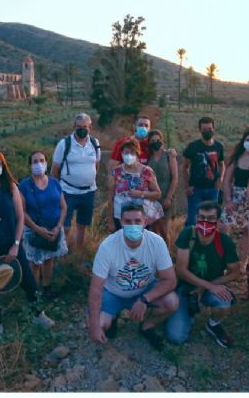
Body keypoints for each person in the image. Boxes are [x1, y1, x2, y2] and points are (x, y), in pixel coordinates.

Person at [0, 150, 55, 341]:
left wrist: (16, 245)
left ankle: (38, 313)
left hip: (11, 245)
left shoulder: (11, 188)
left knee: (28, 280)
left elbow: (20, 217)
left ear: (3, 167)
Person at [88, 203, 178, 351]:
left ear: (145, 222)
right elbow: (96, 289)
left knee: (171, 302)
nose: (133, 225)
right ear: (121, 222)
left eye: (137, 221)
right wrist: (93, 325)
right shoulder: (107, 246)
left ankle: (147, 326)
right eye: (128, 221)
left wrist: (145, 299)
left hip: (144, 290)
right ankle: (114, 314)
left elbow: (170, 280)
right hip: (114, 293)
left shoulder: (156, 242)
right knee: (101, 325)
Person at [165, 201, 240, 348]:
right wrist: (207, 286)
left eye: (211, 218)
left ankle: (213, 324)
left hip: (211, 285)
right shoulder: (188, 234)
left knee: (224, 301)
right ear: (196, 217)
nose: (205, 222)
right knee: (175, 337)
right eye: (201, 217)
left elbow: (235, 272)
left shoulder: (224, 241)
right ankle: (185, 311)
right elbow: (181, 270)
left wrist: (207, 287)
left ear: (218, 220)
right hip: (187, 287)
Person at [19, 150, 69, 299]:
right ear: (30, 165)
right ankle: (34, 293)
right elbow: (22, 212)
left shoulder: (54, 183)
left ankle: (46, 287)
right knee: (35, 264)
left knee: (49, 259)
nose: (39, 164)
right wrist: (37, 229)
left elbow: (63, 207)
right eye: (35, 161)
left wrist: (58, 227)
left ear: (46, 163)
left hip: (54, 229)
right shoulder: (24, 185)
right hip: (34, 231)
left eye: (42, 160)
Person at [50, 113, 101, 252]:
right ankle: (62, 252)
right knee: (65, 226)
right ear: (74, 126)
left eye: (85, 127)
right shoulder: (64, 144)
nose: (82, 129)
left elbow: (96, 165)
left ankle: (78, 252)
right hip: (68, 191)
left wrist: (88, 177)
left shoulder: (95, 144)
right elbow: (55, 169)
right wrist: (56, 191)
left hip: (88, 191)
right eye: (79, 127)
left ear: (90, 127)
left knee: (82, 225)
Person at [220, 126, 249, 266]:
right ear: (243, 141)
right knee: (223, 226)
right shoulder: (236, 158)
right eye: (248, 139)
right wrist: (228, 200)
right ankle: (225, 259)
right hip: (236, 198)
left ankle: (244, 263)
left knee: (248, 231)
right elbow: (227, 180)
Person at [107, 138, 162, 232]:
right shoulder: (116, 172)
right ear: (122, 153)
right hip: (120, 217)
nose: (129, 155)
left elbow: (157, 194)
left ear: (137, 154)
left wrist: (140, 194)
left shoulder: (146, 171)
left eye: (132, 152)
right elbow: (110, 197)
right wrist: (110, 220)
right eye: (126, 152)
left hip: (141, 217)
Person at [182, 116, 225, 227]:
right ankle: (190, 238)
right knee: (192, 221)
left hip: (213, 189)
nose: (207, 131)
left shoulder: (219, 146)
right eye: (204, 129)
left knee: (212, 220)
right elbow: (185, 167)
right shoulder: (193, 147)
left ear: (214, 129)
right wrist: (187, 187)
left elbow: (222, 164)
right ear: (200, 130)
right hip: (196, 190)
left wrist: (220, 179)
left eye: (210, 129)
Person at [146, 129, 178, 248]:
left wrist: (169, 197)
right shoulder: (148, 157)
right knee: (154, 231)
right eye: (153, 140)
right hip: (152, 199)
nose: (156, 142)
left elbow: (175, 178)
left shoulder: (169, 155)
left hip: (166, 197)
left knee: (165, 231)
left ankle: (167, 253)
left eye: (158, 140)